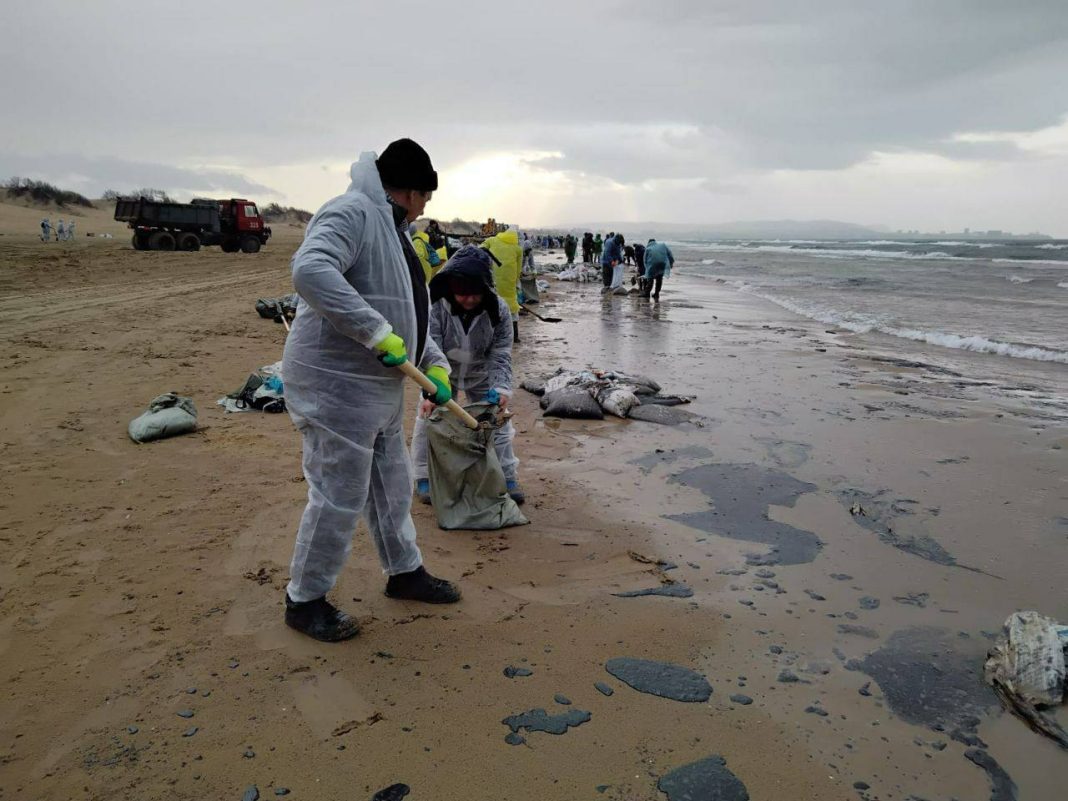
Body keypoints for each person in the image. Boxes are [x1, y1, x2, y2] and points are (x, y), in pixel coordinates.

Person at [281, 138, 461, 643]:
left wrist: (437, 365)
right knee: (338, 494)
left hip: (379, 390)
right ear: (408, 190)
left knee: (392, 486)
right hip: (334, 387)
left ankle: (405, 572)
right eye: (426, 196)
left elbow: (406, 309)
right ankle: (304, 599)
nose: (426, 208)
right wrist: (373, 332)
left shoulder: (396, 233)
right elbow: (310, 271)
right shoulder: (352, 213)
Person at [410, 245, 523, 505]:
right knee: (427, 418)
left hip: (481, 372)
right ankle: (423, 476)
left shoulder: (500, 311)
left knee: (500, 423)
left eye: (475, 295)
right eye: (462, 295)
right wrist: (429, 390)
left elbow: (501, 353)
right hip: (441, 370)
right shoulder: (435, 306)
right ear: (451, 288)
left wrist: (502, 388)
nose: (469, 300)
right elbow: (429, 346)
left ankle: (508, 475)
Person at [480, 227, 522, 343]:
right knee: (512, 307)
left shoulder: (492, 240)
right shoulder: (518, 249)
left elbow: (481, 248)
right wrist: (516, 282)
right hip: (509, 281)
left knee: (493, 304)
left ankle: (492, 336)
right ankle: (515, 336)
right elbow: (519, 269)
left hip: (492, 278)